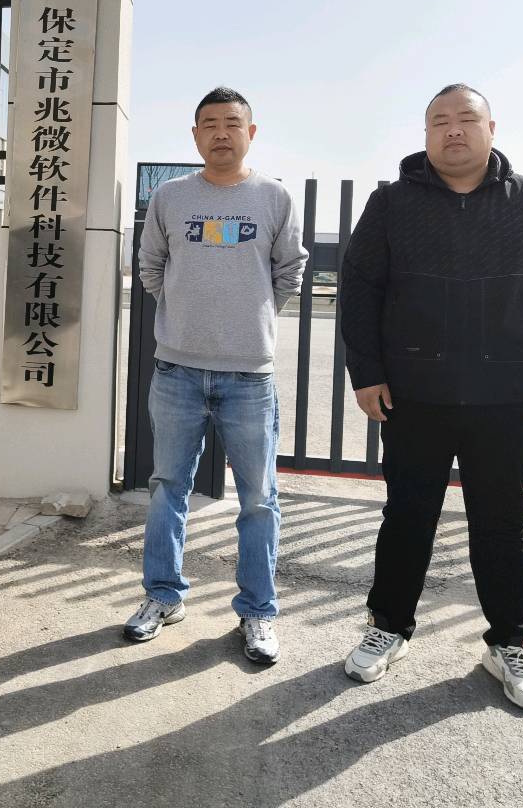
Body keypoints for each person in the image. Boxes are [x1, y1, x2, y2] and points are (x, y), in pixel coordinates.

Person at [338, 83, 523, 712]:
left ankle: (509, 642)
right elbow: (360, 289)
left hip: (505, 396)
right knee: (406, 517)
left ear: (491, 129)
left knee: (501, 524)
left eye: (466, 119)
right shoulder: (392, 203)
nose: (453, 130)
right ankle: (388, 626)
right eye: (440, 121)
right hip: (414, 394)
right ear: (426, 134)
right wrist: (366, 372)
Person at [126, 87, 309, 664]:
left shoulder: (274, 197)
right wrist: (184, 316)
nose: (221, 133)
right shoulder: (170, 197)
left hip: (249, 376)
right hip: (176, 370)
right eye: (209, 124)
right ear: (195, 135)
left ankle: (258, 611)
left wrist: (249, 320)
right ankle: (163, 596)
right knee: (167, 490)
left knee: (258, 499)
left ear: (250, 133)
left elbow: (290, 271)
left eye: (233, 123)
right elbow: (150, 266)